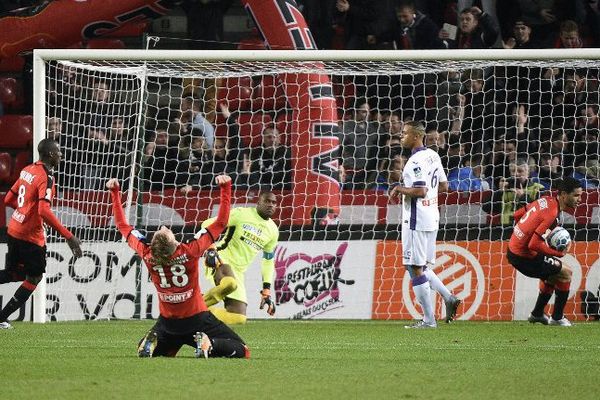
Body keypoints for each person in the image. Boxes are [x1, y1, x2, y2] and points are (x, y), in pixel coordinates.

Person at [107, 174, 249, 358]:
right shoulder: (190, 251)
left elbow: (122, 226)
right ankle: (209, 344)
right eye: (165, 231)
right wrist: (226, 188)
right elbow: (221, 223)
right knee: (242, 350)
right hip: (198, 320)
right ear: (173, 242)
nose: (165, 227)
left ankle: (151, 345)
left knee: (168, 354)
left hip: (168, 323)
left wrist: (115, 193)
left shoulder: (147, 254)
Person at [0, 138, 82, 329]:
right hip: (30, 237)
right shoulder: (47, 176)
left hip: (14, 229)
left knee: (15, 273)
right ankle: (2, 317)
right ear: (51, 154)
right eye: (59, 152)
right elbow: (43, 210)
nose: (61, 155)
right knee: (34, 277)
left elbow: (9, 199)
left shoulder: (27, 170)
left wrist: (23, 212)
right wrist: (69, 236)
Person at [389, 121, 461, 328]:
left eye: (405, 133)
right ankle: (448, 298)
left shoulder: (414, 162)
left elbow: (420, 191)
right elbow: (445, 186)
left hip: (416, 220)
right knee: (418, 266)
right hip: (432, 216)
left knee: (413, 266)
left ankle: (429, 320)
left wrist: (399, 188)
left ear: (416, 136)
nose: (401, 136)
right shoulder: (433, 155)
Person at [506, 177, 583, 327]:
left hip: (514, 248)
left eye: (580, 195)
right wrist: (558, 254)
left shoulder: (545, 200)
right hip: (524, 257)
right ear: (563, 194)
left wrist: (521, 233)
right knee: (566, 273)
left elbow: (517, 215)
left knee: (554, 275)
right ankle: (557, 318)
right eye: (576, 195)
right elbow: (534, 244)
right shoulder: (552, 213)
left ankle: (537, 314)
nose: (579, 199)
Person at [200, 191, 279, 325]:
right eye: (267, 201)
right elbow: (207, 224)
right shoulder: (241, 214)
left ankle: (198, 311)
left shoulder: (273, 230)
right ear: (258, 202)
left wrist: (266, 291)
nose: (271, 205)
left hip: (238, 272)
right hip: (221, 259)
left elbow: (268, 260)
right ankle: (194, 306)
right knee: (230, 284)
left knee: (238, 317)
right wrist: (211, 249)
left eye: (274, 203)